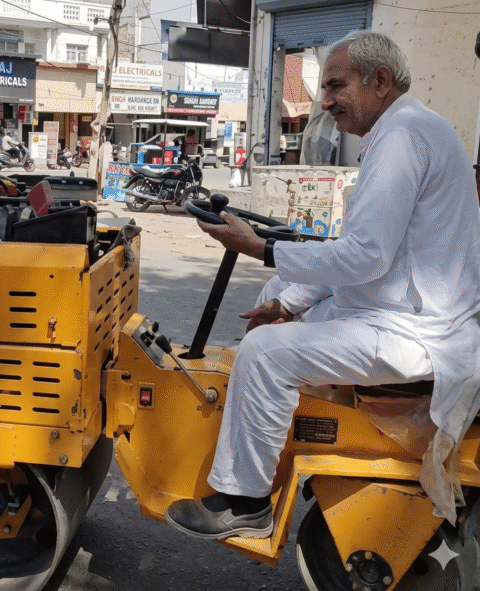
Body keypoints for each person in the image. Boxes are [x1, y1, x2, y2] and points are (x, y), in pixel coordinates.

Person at [165, 30, 480, 541]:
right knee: (276, 300)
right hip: (393, 307)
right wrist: (289, 301)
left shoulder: (402, 139)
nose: (327, 101)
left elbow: (365, 257)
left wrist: (260, 248)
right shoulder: (402, 132)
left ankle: (246, 501)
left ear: (380, 81)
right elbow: (364, 252)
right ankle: (269, 427)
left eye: (336, 86)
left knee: (265, 352)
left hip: (415, 330)